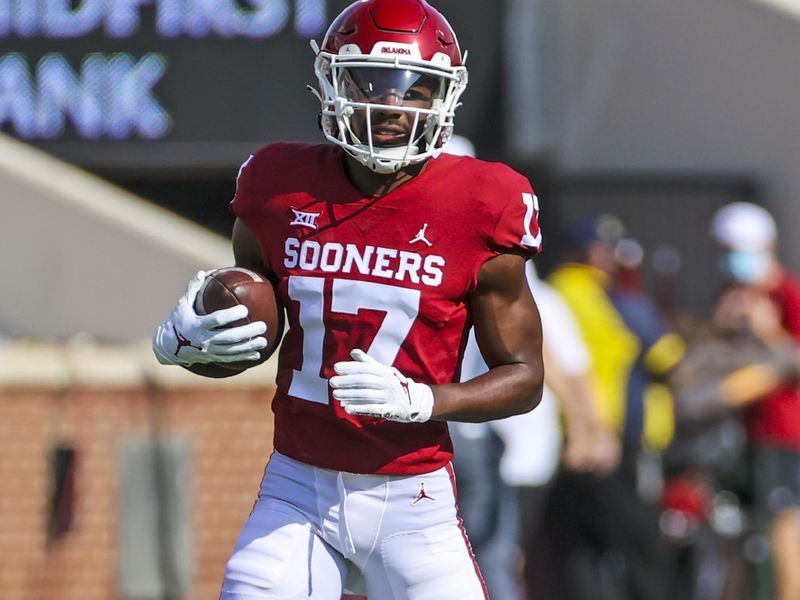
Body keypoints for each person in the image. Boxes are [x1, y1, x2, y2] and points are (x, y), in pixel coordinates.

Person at [151, 1, 545, 598]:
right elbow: (258, 326)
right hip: (297, 488)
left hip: (414, 501)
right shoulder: (277, 184)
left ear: (444, 98)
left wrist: (423, 400)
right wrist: (189, 343)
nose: (390, 104)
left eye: (414, 89)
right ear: (334, 83)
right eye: (372, 83)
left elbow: (525, 379)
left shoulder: (484, 201)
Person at [709, 202, 800, 600]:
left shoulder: (788, 295)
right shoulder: (732, 298)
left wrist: (768, 331)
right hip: (737, 432)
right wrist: (721, 326)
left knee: (782, 524)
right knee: (735, 528)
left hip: (781, 431)